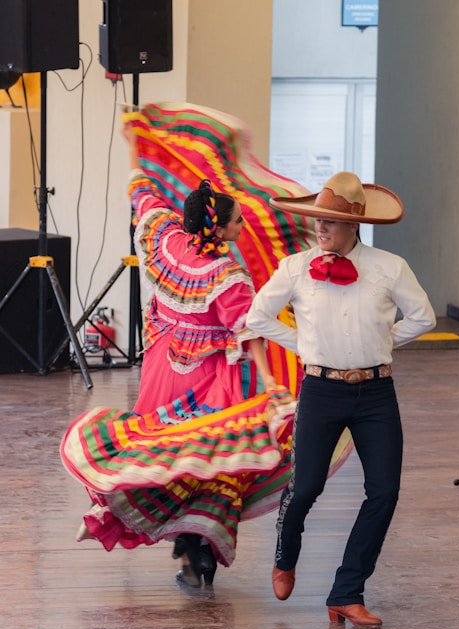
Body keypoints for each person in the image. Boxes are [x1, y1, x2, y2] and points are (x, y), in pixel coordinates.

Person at [61, 121, 297, 589]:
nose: (242, 226)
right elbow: (248, 332)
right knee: (211, 458)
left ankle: (189, 546)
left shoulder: (163, 239)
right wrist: (270, 382)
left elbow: (142, 193)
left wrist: (135, 145)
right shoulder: (225, 275)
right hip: (209, 375)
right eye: (236, 221)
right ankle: (199, 547)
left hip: (162, 366)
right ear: (219, 227)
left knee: (164, 450)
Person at [246, 171, 436, 626]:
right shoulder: (295, 268)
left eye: (330, 220)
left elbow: (423, 317)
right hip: (321, 390)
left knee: (385, 492)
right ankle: (285, 552)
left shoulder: (390, 267)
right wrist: (304, 345)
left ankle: (346, 592)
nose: (321, 227)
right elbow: (258, 317)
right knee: (307, 486)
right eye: (318, 219)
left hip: (376, 392)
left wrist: (385, 341)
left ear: (355, 225)